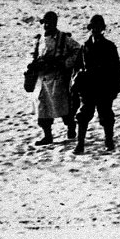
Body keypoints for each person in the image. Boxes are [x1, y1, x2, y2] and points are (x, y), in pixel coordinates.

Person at [70, 15, 120, 155]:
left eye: (98, 28)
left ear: (103, 29)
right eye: (93, 28)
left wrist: (116, 88)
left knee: (106, 116)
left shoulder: (110, 47)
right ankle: (80, 144)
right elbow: (77, 66)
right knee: (83, 116)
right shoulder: (85, 46)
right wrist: (77, 80)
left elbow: (117, 69)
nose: (95, 30)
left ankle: (109, 141)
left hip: (104, 87)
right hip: (88, 88)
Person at [31, 11, 81, 145]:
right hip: (42, 79)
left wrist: (65, 63)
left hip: (57, 78)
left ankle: (71, 126)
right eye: (45, 22)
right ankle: (47, 136)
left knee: (62, 107)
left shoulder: (63, 38)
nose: (46, 25)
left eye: (49, 23)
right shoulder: (39, 39)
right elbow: (34, 55)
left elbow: (78, 50)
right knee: (42, 108)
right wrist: (33, 64)